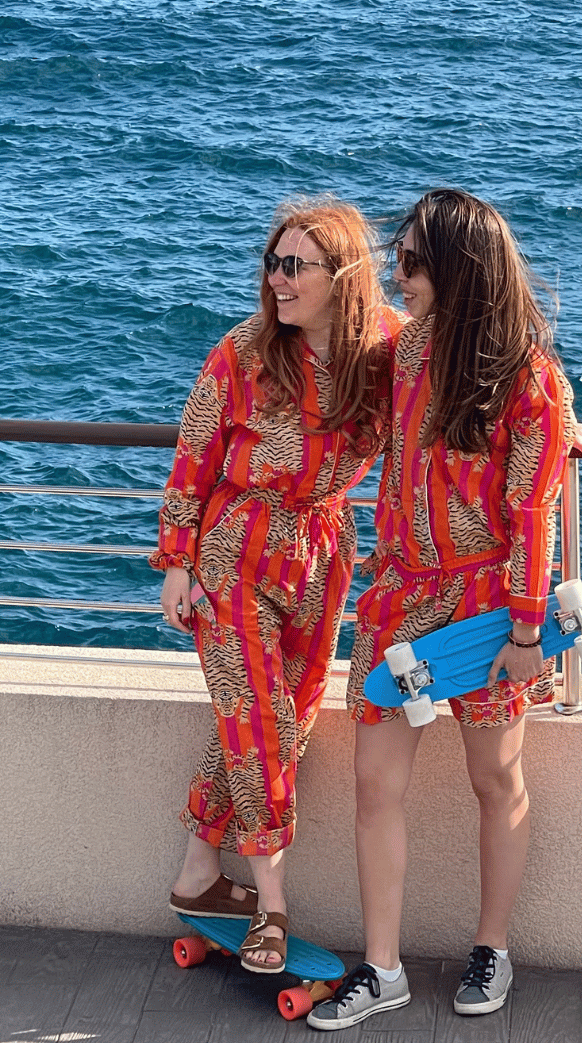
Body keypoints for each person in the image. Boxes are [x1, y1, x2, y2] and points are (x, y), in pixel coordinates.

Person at [308, 188, 578, 1028]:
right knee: (372, 785)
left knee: (494, 778)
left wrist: (529, 630)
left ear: (460, 268)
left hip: (491, 606)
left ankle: (493, 947)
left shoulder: (528, 380)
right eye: (401, 258)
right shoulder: (405, 347)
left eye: (415, 260)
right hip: (398, 598)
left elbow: (534, 510)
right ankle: (382, 968)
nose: (401, 273)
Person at [150, 197, 405, 973]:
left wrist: (558, 424)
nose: (278, 280)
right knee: (257, 724)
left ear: (343, 276)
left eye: (296, 266)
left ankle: (199, 873)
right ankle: (273, 904)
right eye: (273, 263)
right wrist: (177, 561)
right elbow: (194, 452)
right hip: (235, 552)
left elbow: (473, 390)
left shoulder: (390, 348)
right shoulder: (245, 351)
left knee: (283, 725)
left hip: (322, 555)